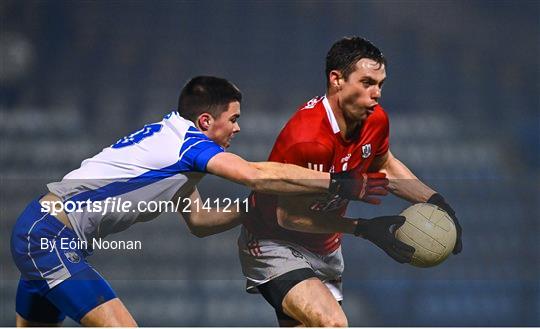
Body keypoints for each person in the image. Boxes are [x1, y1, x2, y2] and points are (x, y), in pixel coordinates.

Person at [10, 76, 388, 327]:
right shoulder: (187, 145)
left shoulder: (173, 145)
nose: (238, 127)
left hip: (48, 235)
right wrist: (337, 183)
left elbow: (199, 221)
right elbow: (253, 174)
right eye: (234, 118)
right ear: (206, 120)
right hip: (50, 238)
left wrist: (251, 210)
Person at [238, 37, 463, 327]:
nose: (377, 93)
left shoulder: (376, 120)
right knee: (332, 323)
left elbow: (385, 165)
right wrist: (362, 228)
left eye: (380, 84)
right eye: (367, 82)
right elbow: (290, 217)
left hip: (326, 248)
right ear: (337, 79)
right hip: (274, 240)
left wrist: (435, 201)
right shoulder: (308, 139)